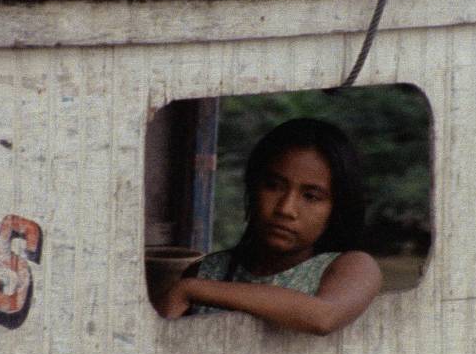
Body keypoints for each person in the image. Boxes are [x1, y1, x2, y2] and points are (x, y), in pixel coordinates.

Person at [156, 118, 382, 335]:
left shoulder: (351, 267)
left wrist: (190, 289)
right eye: (273, 186)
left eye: (311, 197)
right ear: (253, 188)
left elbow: (324, 316)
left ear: (337, 207)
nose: (285, 208)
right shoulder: (208, 271)